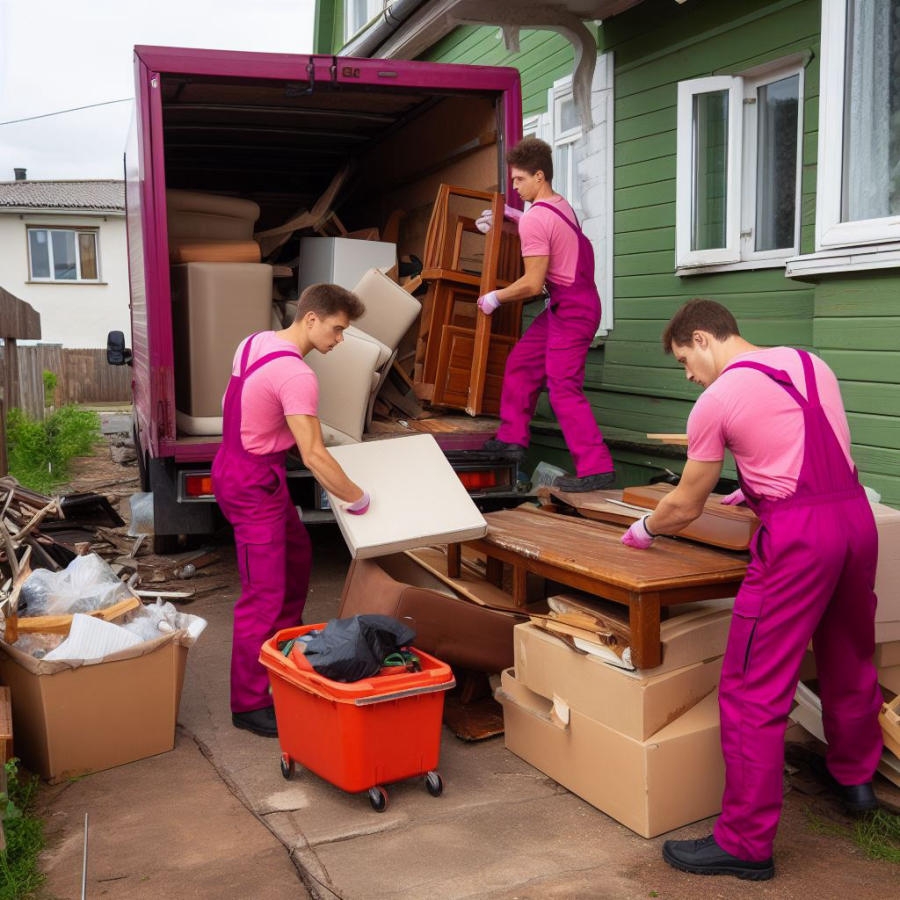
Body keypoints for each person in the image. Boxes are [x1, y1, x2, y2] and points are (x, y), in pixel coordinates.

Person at [621, 299, 883, 880]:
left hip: (798, 542)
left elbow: (687, 504)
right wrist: (757, 489)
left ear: (703, 338)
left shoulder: (715, 400)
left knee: (751, 688)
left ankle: (744, 843)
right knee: (847, 656)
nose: (688, 375)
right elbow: (810, 446)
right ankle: (855, 780)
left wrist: (645, 526)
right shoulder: (813, 363)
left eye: (685, 360)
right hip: (856, 523)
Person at [212, 283, 371, 737]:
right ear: (311, 319)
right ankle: (248, 702)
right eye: (338, 330)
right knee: (262, 595)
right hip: (252, 479)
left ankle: (283, 656)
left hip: (242, 466)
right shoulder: (299, 376)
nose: (339, 340)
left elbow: (234, 402)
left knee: (297, 557)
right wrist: (357, 498)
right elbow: (315, 455)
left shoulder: (256, 340)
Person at [475, 136, 615, 492]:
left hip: (573, 309)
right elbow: (547, 228)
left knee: (563, 387)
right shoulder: (559, 204)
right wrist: (511, 217)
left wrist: (495, 297)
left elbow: (533, 284)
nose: (515, 186)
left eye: (520, 180)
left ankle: (596, 467)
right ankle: (512, 439)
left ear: (539, 176)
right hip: (570, 303)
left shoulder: (535, 219)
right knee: (522, 363)